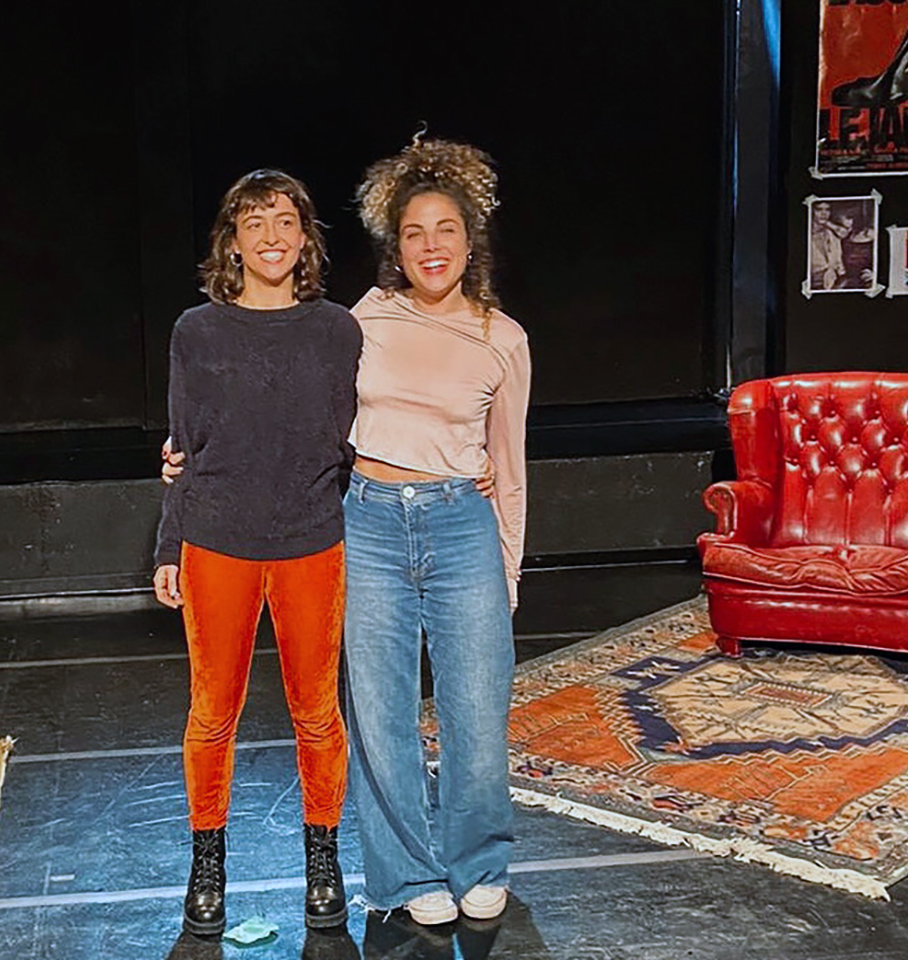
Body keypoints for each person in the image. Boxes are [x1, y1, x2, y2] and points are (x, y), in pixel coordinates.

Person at [152, 169, 361, 936]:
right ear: (232, 242)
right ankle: (207, 864)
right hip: (217, 540)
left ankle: (323, 861)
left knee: (318, 713)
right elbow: (184, 446)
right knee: (212, 713)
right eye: (254, 223)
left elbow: (352, 439)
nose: (271, 237)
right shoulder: (196, 332)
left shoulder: (338, 330)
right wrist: (169, 541)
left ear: (305, 237)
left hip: (311, 539)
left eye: (284, 222)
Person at [345, 137, 530, 926]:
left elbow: (509, 466)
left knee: (477, 712)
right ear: (395, 246)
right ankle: (406, 876)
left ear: (469, 241)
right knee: (380, 713)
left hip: (462, 526)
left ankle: (478, 861)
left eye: (444, 230)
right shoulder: (362, 320)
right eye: (414, 232)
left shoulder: (502, 338)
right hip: (370, 523)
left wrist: (508, 569)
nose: (430, 246)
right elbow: (303, 417)